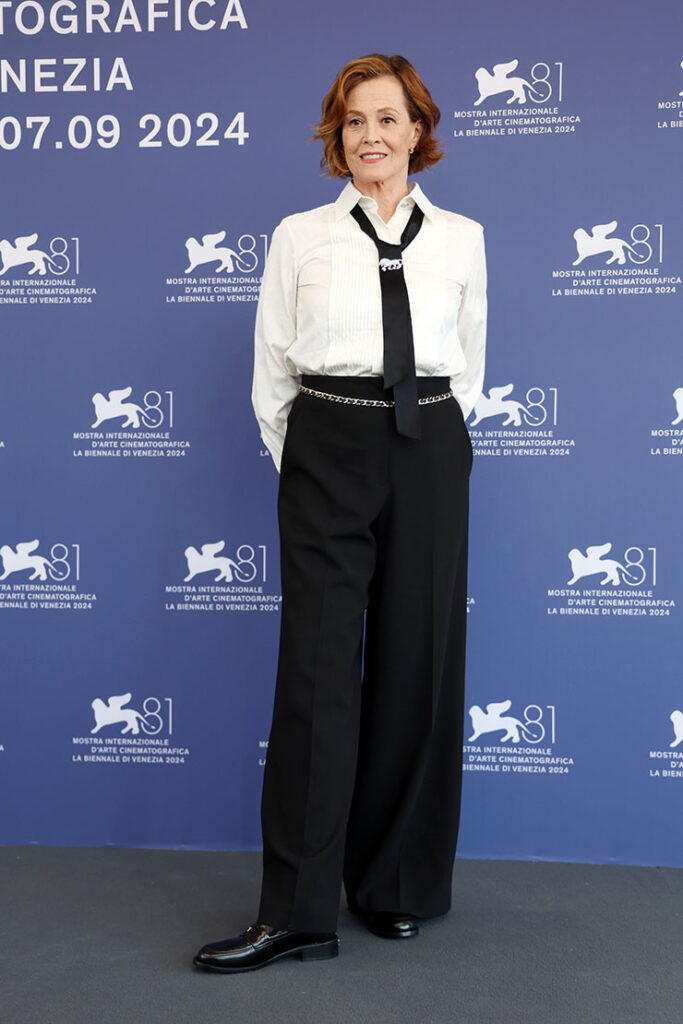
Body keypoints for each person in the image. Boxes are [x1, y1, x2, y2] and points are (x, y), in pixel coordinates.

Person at [193, 52, 487, 974]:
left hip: (429, 445)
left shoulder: (463, 238)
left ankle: (395, 886)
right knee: (316, 680)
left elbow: (467, 367)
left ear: (418, 132)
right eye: (354, 121)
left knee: (417, 667)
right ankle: (296, 912)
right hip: (326, 444)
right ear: (336, 136)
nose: (372, 136)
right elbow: (271, 369)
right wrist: (316, 459)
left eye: (388, 119)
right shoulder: (297, 237)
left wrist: (423, 444)